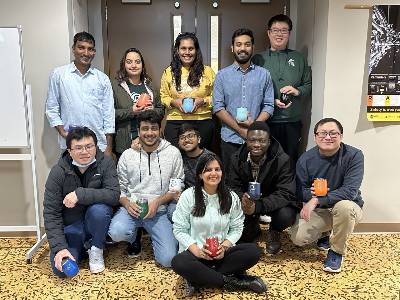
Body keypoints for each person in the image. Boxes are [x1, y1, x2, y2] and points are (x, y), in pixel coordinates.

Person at [171, 153, 267, 295]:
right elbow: (179, 229)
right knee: (178, 262)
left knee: (253, 251)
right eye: (208, 170)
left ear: (222, 173)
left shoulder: (231, 196)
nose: (213, 173)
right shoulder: (188, 196)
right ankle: (233, 282)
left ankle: (199, 278)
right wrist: (197, 250)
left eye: (217, 169)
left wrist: (225, 246)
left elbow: (237, 227)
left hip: (221, 255)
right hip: (195, 255)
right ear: (199, 175)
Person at [108, 110, 184, 267]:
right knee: (116, 232)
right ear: (138, 131)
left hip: (159, 212)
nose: (150, 133)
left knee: (168, 260)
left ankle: (162, 236)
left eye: (154, 128)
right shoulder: (127, 155)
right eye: (145, 128)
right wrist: (127, 204)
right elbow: (120, 189)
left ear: (160, 130)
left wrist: (158, 202)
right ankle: (133, 236)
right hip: (132, 210)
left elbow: (176, 188)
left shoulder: (173, 153)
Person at [43, 127, 120, 277]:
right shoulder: (58, 171)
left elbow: (114, 195)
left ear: (96, 147)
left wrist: (80, 194)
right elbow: (51, 213)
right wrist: (60, 248)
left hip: (96, 224)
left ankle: (96, 248)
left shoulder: (106, 163)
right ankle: (83, 248)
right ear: (70, 151)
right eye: (78, 148)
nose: (84, 152)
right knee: (62, 271)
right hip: (72, 229)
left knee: (100, 210)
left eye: (89, 146)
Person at [290, 118, 364, 273]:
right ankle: (325, 233)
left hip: (347, 205)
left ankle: (336, 251)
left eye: (333, 133)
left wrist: (316, 199)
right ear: (315, 137)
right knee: (298, 238)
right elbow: (299, 191)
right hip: (321, 209)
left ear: (341, 136)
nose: (328, 137)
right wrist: (308, 194)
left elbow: (350, 191)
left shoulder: (354, 156)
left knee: (345, 207)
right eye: (323, 133)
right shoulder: (305, 159)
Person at [228, 121, 298, 254]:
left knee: (286, 215)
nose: (256, 145)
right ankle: (252, 226)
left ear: (269, 141)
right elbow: (232, 186)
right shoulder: (236, 158)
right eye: (252, 140)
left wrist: (259, 206)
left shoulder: (283, 160)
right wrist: (242, 199)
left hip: (273, 204)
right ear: (246, 140)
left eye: (262, 141)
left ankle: (275, 231)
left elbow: (286, 192)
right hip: (247, 202)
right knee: (244, 236)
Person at [213, 28, 274, 171]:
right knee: (230, 181)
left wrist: (253, 128)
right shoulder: (222, 75)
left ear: (253, 47)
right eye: (238, 44)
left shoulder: (264, 75)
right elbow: (218, 107)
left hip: (258, 140)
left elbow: (269, 105)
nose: (242, 48)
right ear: (232, 48)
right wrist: (240, 130)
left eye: (247, 44)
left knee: (255, 180)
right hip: (230, 139)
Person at [253, 14, 312, 164]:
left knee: (290, 160)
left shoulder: (299, 58)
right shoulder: (258, 59)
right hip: (266, 120)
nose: (279, 34)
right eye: (275, 30)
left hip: (292, 120)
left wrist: (297, 91)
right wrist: (271, 101)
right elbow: (252, 90)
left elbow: (308, 85)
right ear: (268, 33)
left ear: (289, 33)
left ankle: (288, 188)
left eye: (284, 30)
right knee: (266, 161)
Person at [46, 32, 115, 156]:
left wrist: (108, 148)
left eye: (90, 49)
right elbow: (51, 108)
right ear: (73, 49)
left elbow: (109, 114)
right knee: (71, 176)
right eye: (81, 47)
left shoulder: (102, 79)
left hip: (98, 144)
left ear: (94, 52)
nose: (86, 53)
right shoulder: (59, 75)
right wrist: (62, 132)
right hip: (71, 144)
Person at [160, 32, 215, 149]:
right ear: (177, 51)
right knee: (177, 160)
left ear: (196, 50)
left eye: (191, 48)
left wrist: (204, 101)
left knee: (200, 160)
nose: (187, 52)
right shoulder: (168, 72)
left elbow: (217, 98)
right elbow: (163, 96)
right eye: (183, 48)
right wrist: (173, 102)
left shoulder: (208, 72)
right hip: (175, 121)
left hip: (202, 120)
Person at [112, 47, 164, 157]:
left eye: (137, 62)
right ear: (124, 65)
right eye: (129, 62)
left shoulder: (150, 86)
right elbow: (110, 114)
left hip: (149, 141)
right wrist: (132, 111)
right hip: (125, 143)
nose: (134, 65)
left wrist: (153, 110)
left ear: (142, 65)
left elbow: (161, 110)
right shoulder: (115, 87)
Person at [165, 123, 214, 221]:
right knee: (172, 211)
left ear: (199, 139)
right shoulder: (178, 158)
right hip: (185, 197)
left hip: (208, 197)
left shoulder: (210, 158)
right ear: (178, 142)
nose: (186, 140)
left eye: (190, 136)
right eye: (182, 137)